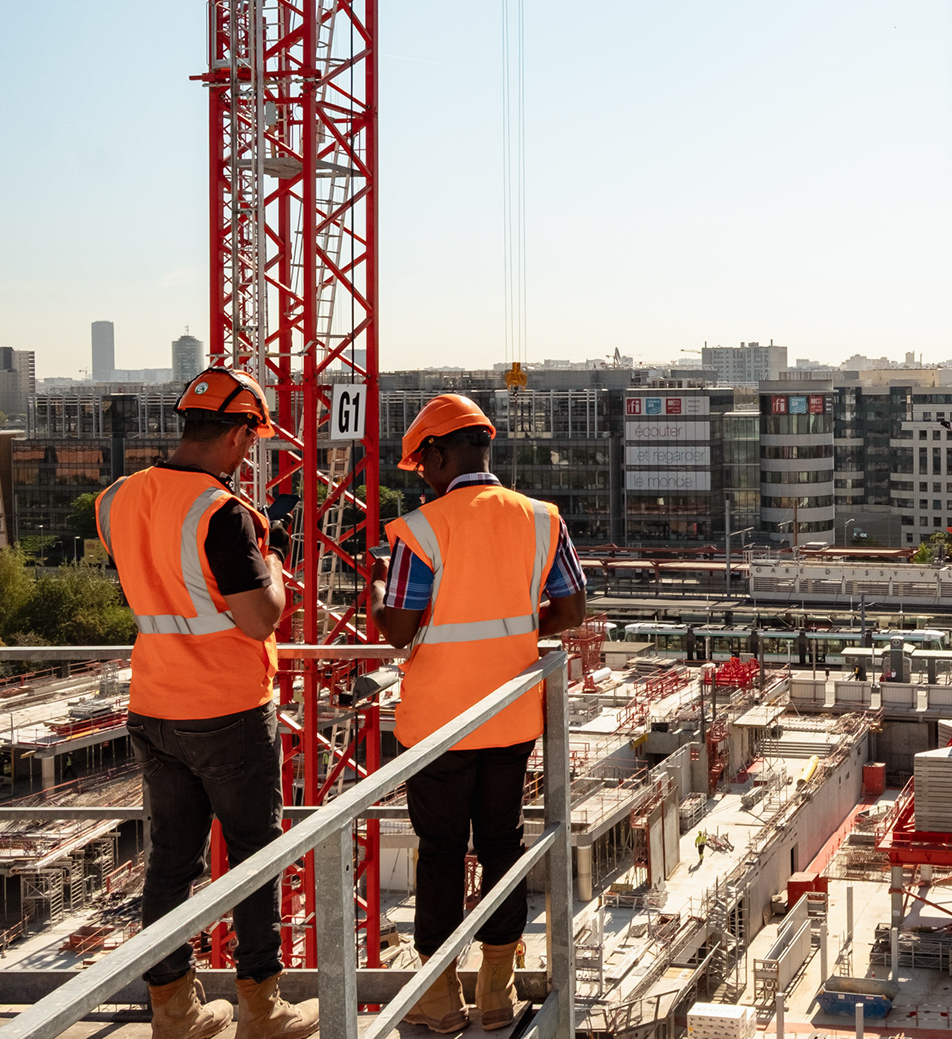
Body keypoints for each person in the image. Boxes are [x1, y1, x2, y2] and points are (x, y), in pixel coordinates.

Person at [95, 368, 319, 1039]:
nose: (251, 454)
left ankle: (174, 1012)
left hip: (154, 704)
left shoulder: (117, 498)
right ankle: (261, 1009)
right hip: (225, 707)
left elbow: (160, 582)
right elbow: (258, 619)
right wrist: (274, 568)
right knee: (253, 855)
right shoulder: (221, 511)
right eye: (252, 440)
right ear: (236, 434)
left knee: (170, 860)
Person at [371, 396, 587, 1034]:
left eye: (423, 465)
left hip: (439, 723)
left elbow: (399, 629)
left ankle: (438, 1000)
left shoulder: (424, 528)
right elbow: (571, 612)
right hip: (513, 714)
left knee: (440, 852)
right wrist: (521, 633)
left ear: (438, 454)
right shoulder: (541, 519)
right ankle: (496, 992)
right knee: (501, 846)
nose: (423, 477)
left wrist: (380, 608)